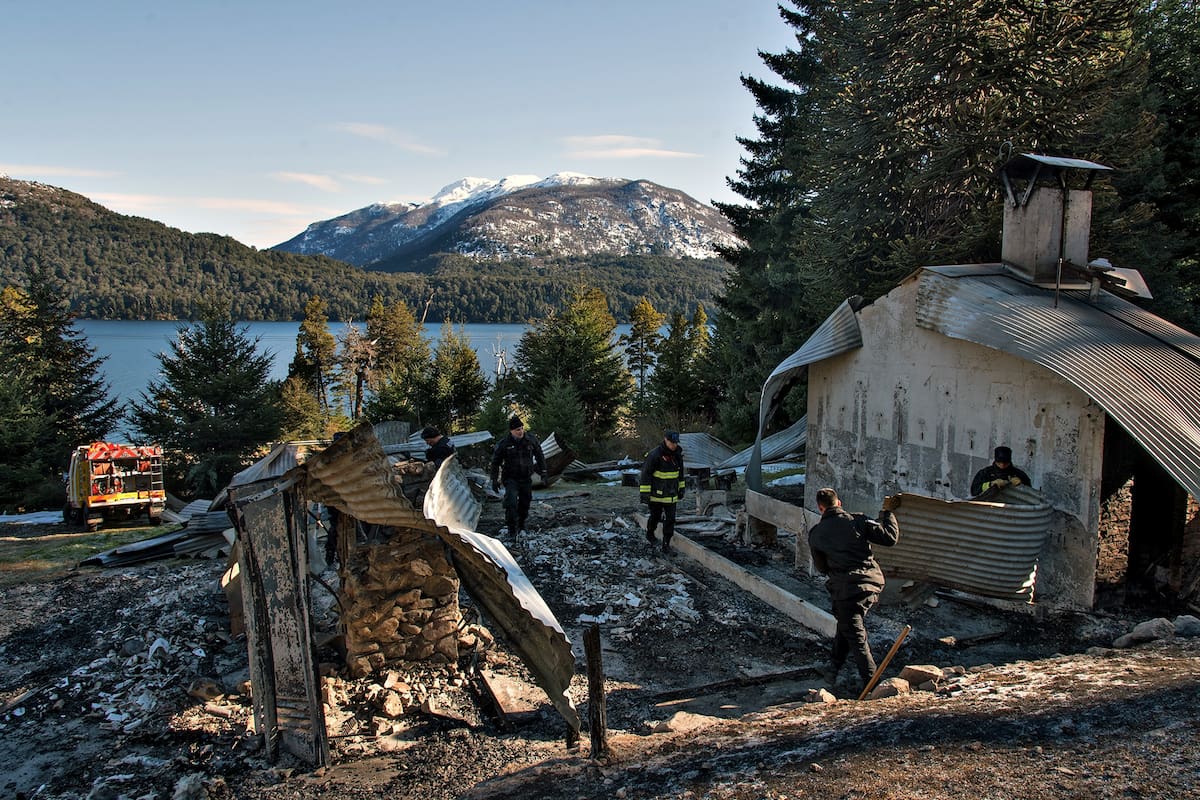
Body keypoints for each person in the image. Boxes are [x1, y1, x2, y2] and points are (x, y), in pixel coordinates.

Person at [808, 487, 901, 695]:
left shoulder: (816, 534)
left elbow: (822, 568)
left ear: (820, 508)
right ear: (838, 503)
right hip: (872, 582)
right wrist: (887, 513)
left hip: (847, 589)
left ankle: (873, 684)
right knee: (847, 624)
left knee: (856, 637)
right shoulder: (858, 520)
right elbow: (890, 538)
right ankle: (833, 668)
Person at [490, 415, 546, 537]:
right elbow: (495, 463)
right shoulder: (504, 444)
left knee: (525, 502)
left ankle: (521, 524)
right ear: (511, 431)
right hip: (511, 478)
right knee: (511, 502)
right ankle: (511, 528)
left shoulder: (530, 440)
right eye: (517, 430)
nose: (520, 431)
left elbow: (540, 455)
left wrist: (544, 472)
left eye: (521, 428)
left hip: (526, 477)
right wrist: (494, 480)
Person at [639, 430, 686, 553]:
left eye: (676, 443)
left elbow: (680, 474)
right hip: (656, 495)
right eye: (672, 442)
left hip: (671, 495)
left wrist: (681, 488)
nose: (674, 445)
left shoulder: (678, 455)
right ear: (665, 440)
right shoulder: (654, 455)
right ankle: (650, 533)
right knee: (655, 517)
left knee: (670, 520)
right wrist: (645, 494)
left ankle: (666, 545)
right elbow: (646, 475)